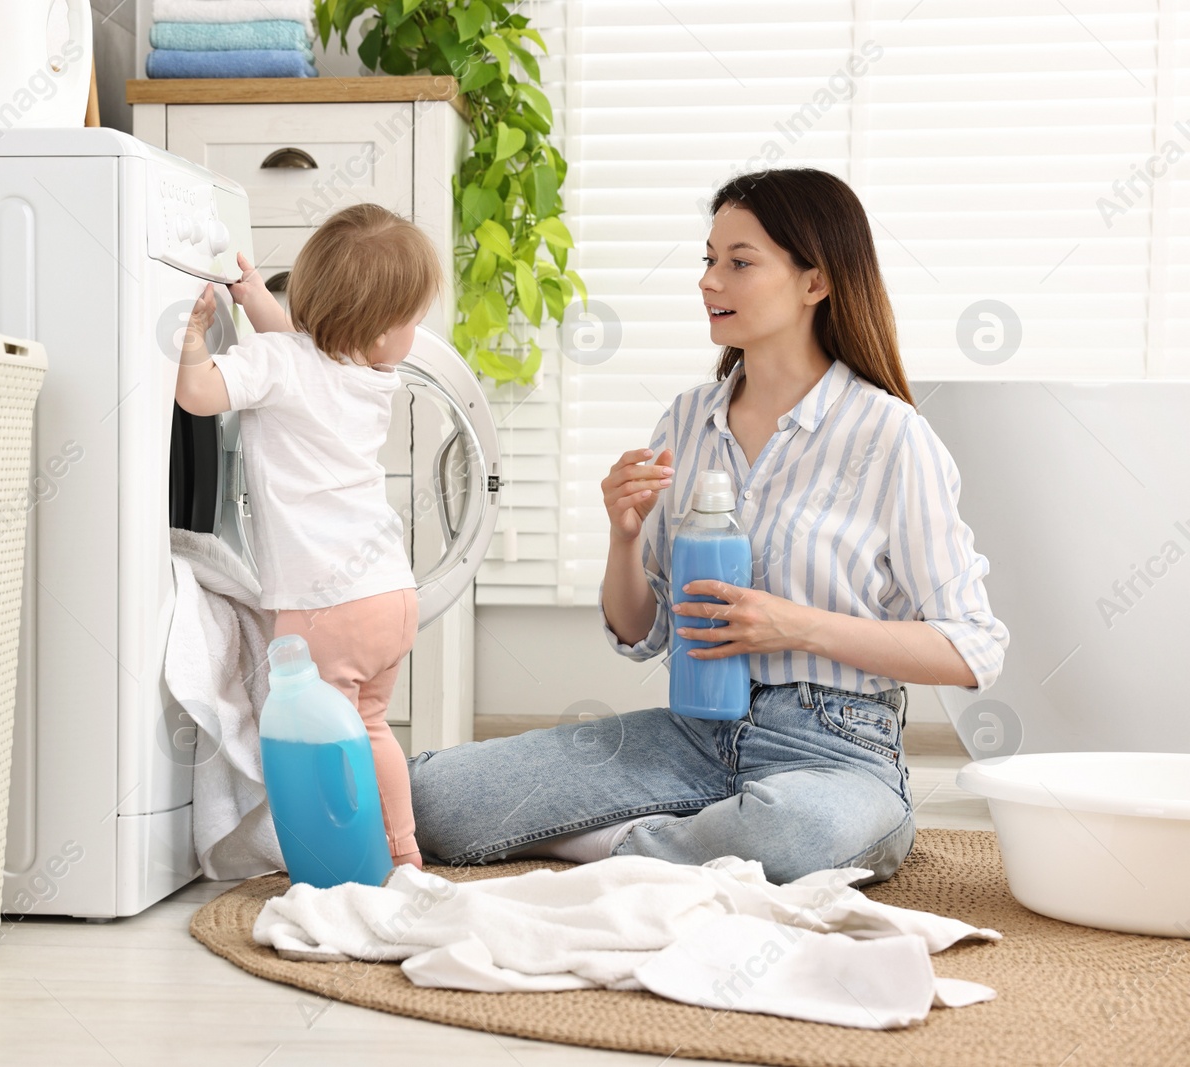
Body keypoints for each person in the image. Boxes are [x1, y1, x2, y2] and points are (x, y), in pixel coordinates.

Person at [405, 168, 1010, 885]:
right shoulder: (689, 420)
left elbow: (974, 648)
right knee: (431, 797)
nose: (709, 281)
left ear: (815, 282)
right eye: (709, 259)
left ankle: (611, 846)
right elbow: (643, 632)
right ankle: (682, 844)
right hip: (691, 732)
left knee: (792, 833)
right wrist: (624, 536)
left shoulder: (891, 437)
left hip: (837, 752)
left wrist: (796, 626)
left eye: (739, 263)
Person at [176, 203, 443, 870]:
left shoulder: (282, 362)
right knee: (372, 727)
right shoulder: (373, 376)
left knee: (321, 744)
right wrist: (253, 298)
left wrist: (189, 345)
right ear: (380, 331)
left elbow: (201, 396)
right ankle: (402, 850)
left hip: (326, 606)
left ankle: (340, 862)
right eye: (411, 319)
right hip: (390, 595)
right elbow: (301, 347)